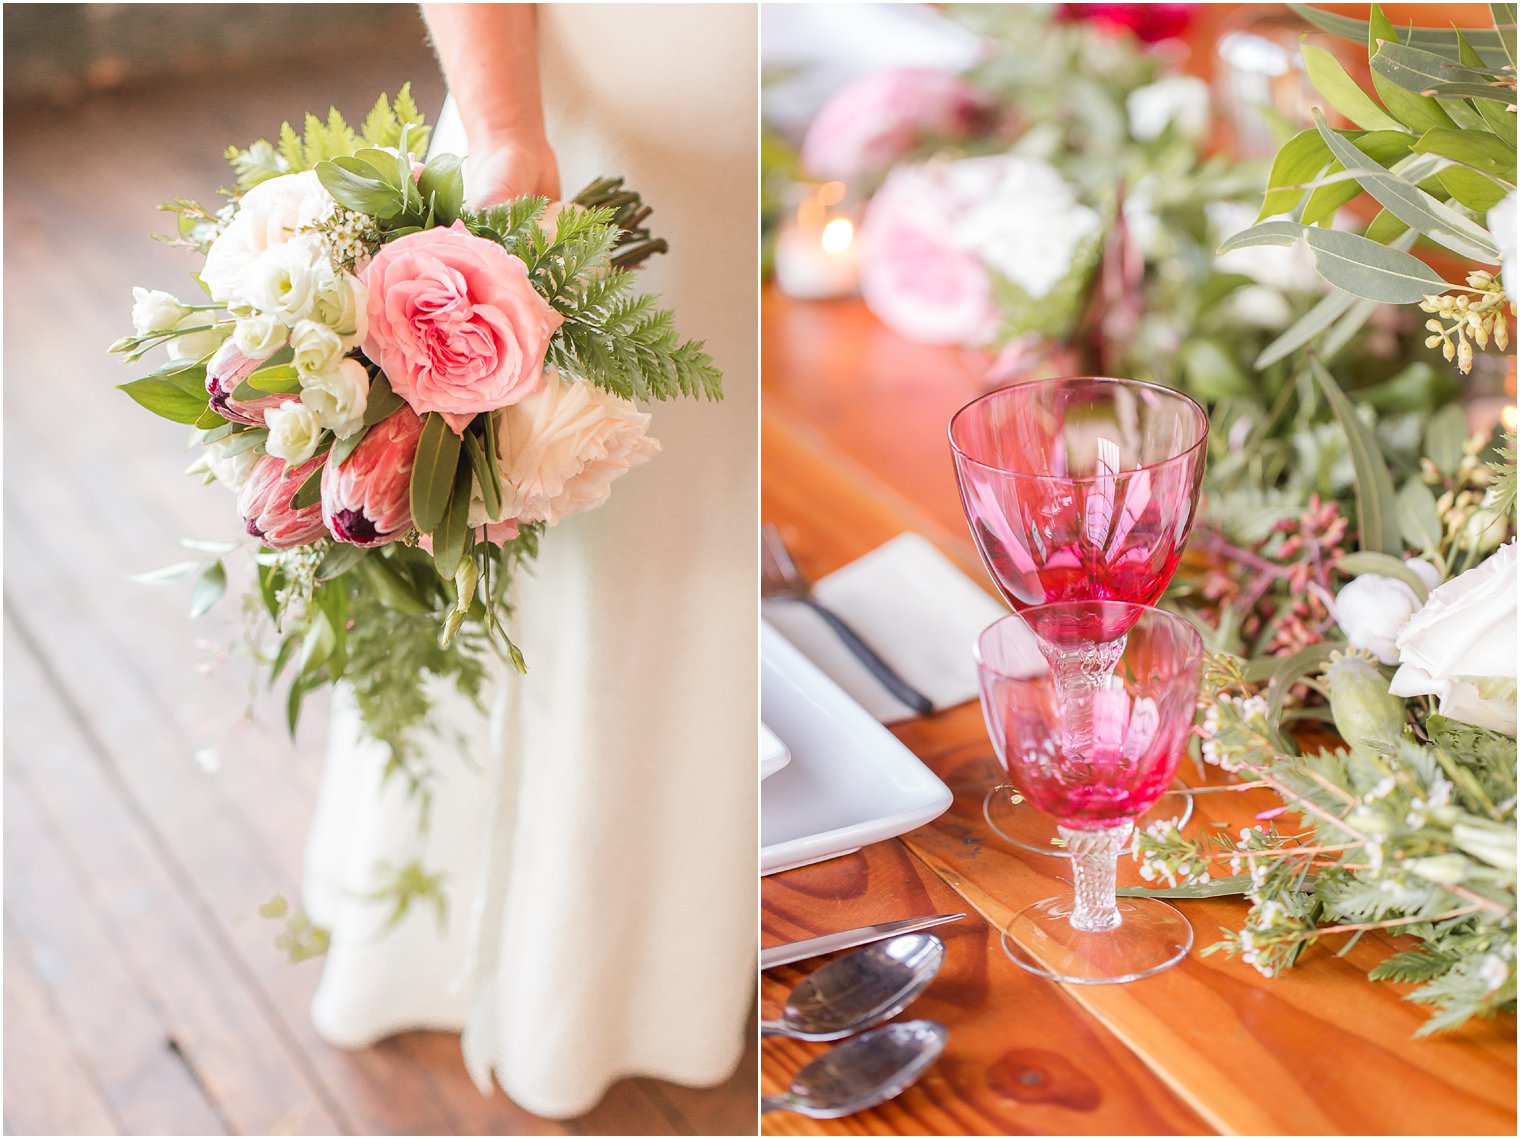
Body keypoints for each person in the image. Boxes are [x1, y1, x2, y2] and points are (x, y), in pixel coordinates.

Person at [301, 5, 758, 1119]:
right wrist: (509, 132)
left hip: (778, 172)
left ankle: (665, 968)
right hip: (571, 150)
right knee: (558, 567)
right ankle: (469, 955)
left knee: (703, 594)